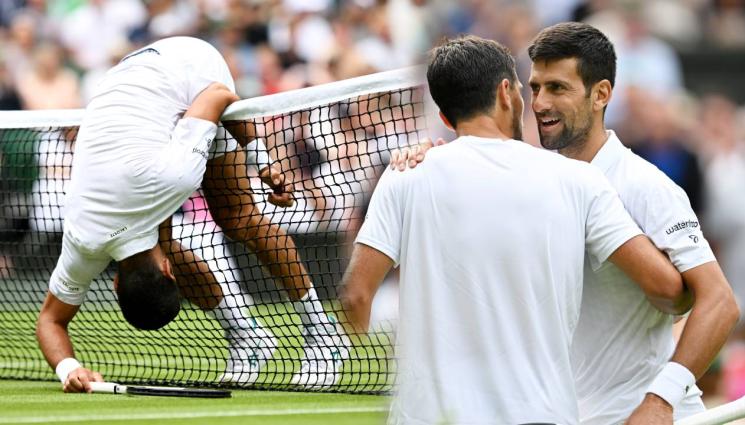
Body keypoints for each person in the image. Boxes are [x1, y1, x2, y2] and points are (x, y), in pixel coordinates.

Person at [392, 22, 740, 424]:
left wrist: (659, 401)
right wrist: (424, 158)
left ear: (601, 94)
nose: (539, 103)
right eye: (535, 87)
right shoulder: (528, 179)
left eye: (557, 88)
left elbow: (719, 302)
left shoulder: (646, 186)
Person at [35, 37, 348, 393]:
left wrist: (264, 164)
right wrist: (67, 368)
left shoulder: (171, 178)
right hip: (129, 85)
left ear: (117, 284)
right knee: (165, 241)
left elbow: (216, 94)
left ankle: (326, 336)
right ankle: (249, 338)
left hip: (189, 66)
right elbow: (48, 321)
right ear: (116, 283)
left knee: (237, 218)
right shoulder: (81, 237)